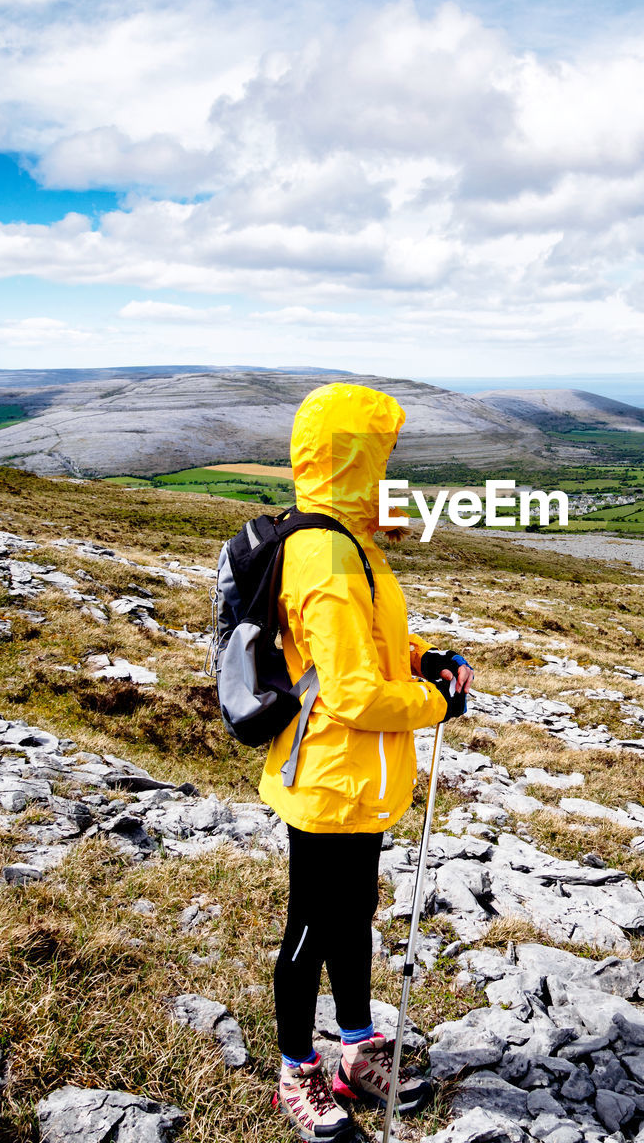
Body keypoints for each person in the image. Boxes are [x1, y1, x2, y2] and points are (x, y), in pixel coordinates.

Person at [258, 383, 474, 1142]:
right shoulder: (323, 556)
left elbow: (369, 651)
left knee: (352, 918)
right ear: (353, 459)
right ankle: (297, 1072)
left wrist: (425, 658)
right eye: (383, 455)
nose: (392, 470)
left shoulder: (354, 545)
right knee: (313, 930)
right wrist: (436, 705)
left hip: (359, 781)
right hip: (326, 778)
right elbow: (352, 695)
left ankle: (354, 1052)